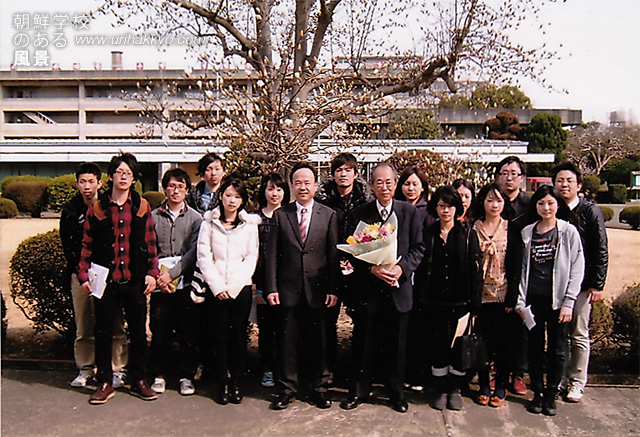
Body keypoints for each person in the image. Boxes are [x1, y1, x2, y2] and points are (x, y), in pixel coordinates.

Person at [340, 163, 425, 414]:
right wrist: (372, 269)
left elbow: (418, 248)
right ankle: (358, 391)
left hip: (398, 289)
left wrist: (402, 269)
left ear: (395, 184)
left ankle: (396, 393)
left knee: (396, 346)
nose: (384, 187)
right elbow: (353, 253)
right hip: (370, 291)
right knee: (364, 343)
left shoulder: (408, 212)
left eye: (389, 182)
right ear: (371, 185)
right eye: (379, 182)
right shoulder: (360, 214)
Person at [77, 152, 159, 404]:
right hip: (106, 281)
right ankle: (104, 381)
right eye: (119, 172)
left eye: (129, 173)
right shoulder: (98, 208)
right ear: (111, 176)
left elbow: (151, 244)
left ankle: (139, 380)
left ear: (133, 179)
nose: (123, 177)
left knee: (138, 332)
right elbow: (87, 244)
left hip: (134, 280)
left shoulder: (142, 206)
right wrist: (83, 275)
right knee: (103, 331)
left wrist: (152, 273)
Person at [266, 162, 339, 410]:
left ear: (316, 185)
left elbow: (332, 256)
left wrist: (333, 288)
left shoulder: (328, 215)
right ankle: (287, 388)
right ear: (292, 186)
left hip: (318, 289)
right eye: (298, 182)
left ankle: (319, 388)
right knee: (287, 342)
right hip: (288, 289)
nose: (303, 187)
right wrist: (272, 288)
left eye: (307, 182)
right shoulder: (281, 215)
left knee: (320, 341)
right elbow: (272, 255)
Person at [515, 185, 584, 416]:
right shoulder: (527, 232)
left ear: (557, 205)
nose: (546, 208)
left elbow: (577, 267)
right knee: (534, 348)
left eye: (551, 203)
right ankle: (537, 392)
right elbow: (523, 269)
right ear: (535, 206)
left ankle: (551, 395)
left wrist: (569, 301)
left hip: (558, 301)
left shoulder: (568, 231)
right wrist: (521, 301)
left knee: (557, 349)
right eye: (541, 203)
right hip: (533, 300)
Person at [59, 162, 128, 389]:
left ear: (100, 182)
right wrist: (81, 272)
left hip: (108, 274)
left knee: (115, 322)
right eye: (82, 181)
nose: (87, 186)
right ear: (76, 183)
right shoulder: (70, 211)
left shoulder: (109, 205)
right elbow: (68, 245)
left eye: (91, 181)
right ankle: (85, 368)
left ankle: (117, 369)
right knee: (84, 325)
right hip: (80, 274)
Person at [193, 177, 260, 405]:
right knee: (219, 337)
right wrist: (218, 286)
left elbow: (251, 257)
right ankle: (222, 381)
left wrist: (234, 287)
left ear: (243, 201)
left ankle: (237, 381)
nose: (232, 200)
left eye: (237, 196)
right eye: (229, 195)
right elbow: (204, 257)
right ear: (221, 196)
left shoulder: (249, 226)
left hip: (239, 289)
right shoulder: (208, 224)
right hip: (216, 288)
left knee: (238, 337)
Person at [418, 186, 482, 411]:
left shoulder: (466, 234)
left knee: (458, 348)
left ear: (458, 208)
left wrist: (475, 303)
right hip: (434, 302)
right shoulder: (429, 233)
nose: (446, 210)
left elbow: (476, 270)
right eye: (442, 206)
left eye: (450, 206)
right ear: (435, 207)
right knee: (438, 347)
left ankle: (454, 389)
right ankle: (439, 389)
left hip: (460, 302)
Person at [552, 161, 608, 403]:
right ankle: (560, 379)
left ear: (579, 185)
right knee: (558, 334)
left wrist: (597, 283)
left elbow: (600, 248)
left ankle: (577, 382)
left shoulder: (590, 211)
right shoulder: (552, 208)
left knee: (579, 333)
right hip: (556, 284)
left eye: (569, 181)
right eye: (559, 181)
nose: (564, 185)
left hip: (583, 286)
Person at [148, 168, 203, 396]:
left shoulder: (196, 218)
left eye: (181, 186)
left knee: (186, 332)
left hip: (185, 284)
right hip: (159, 284)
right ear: (164, 188)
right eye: (171, 185)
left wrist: (173, 274)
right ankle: (159, 374)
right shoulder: (152, 217)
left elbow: (193, 252)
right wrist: (159, 276)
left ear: (187, 190)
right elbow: (149, 249)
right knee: (159, 330)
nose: (175, 190)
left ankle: (185, 375)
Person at [315, 152, 371, 372]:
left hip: (358, 268)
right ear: (333, 174)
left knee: (360, 320)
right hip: (329, 268)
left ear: (356, 174)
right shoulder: (323, 201)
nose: (343, 174)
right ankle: (327, 369)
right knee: (326, 321)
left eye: (348, 170)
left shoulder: (366, 201)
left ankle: (355, 370)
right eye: (339, 170)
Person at [471, 183, 520, 408]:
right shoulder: (473, 228)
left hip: (503, 294)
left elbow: (517, 265)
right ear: (482, 202)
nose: (494, 205)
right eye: (490, 200)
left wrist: (512, 297)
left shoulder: (511, 228)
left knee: (504, 345)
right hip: (480, 295)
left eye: (499, 200)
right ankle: (483, 385)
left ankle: (500, 385)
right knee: (482, 345)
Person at [494, 156, 531, 395]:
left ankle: (518, 373)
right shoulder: (490, 200)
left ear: (522, 178)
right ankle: (495, 374)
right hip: (495, 274)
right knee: (494, 328)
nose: (509, 177)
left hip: (524, 270)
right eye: (504, 172)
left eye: (514, 173)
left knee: (520, 325)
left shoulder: (530, 204)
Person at [253, 173, 290, 388]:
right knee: (266, 328)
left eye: (279, 189)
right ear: (263, 192)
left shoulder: (290, 215)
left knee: (286, 327)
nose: (274, 193)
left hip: (286, 282)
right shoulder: (254, 219)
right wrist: (255, 285)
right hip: (261, 281)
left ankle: (285, 369)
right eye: (270, 189)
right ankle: (267, 368)